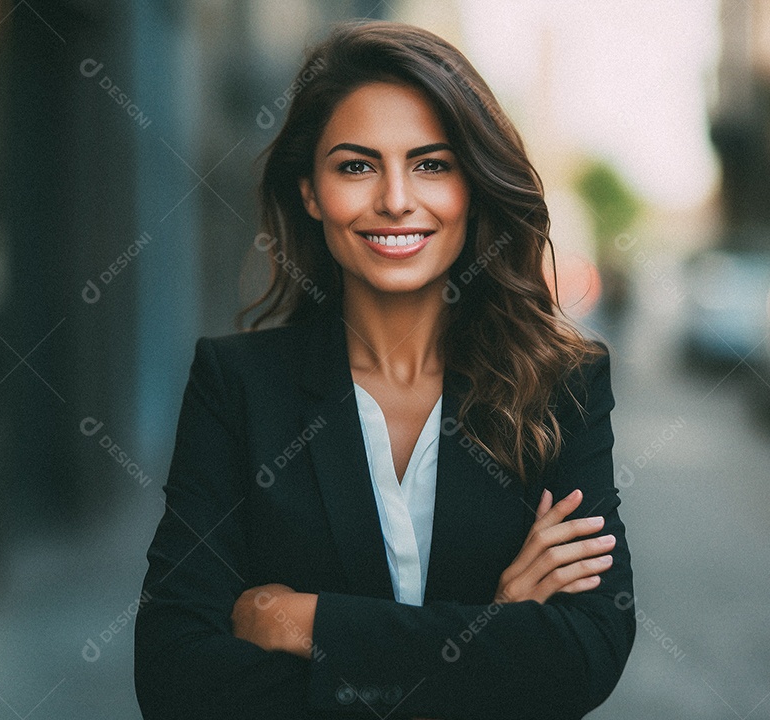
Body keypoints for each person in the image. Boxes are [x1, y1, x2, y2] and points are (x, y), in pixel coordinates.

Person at [134, 19, 635, 720]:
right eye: (356, 166)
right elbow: (175, 677)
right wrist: (490, 629)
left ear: (473, 187)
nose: (396, 198)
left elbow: (584, 655)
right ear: (311, 192)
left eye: (432, 163)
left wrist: (305, 624)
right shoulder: (237, 386)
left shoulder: (560, 387)